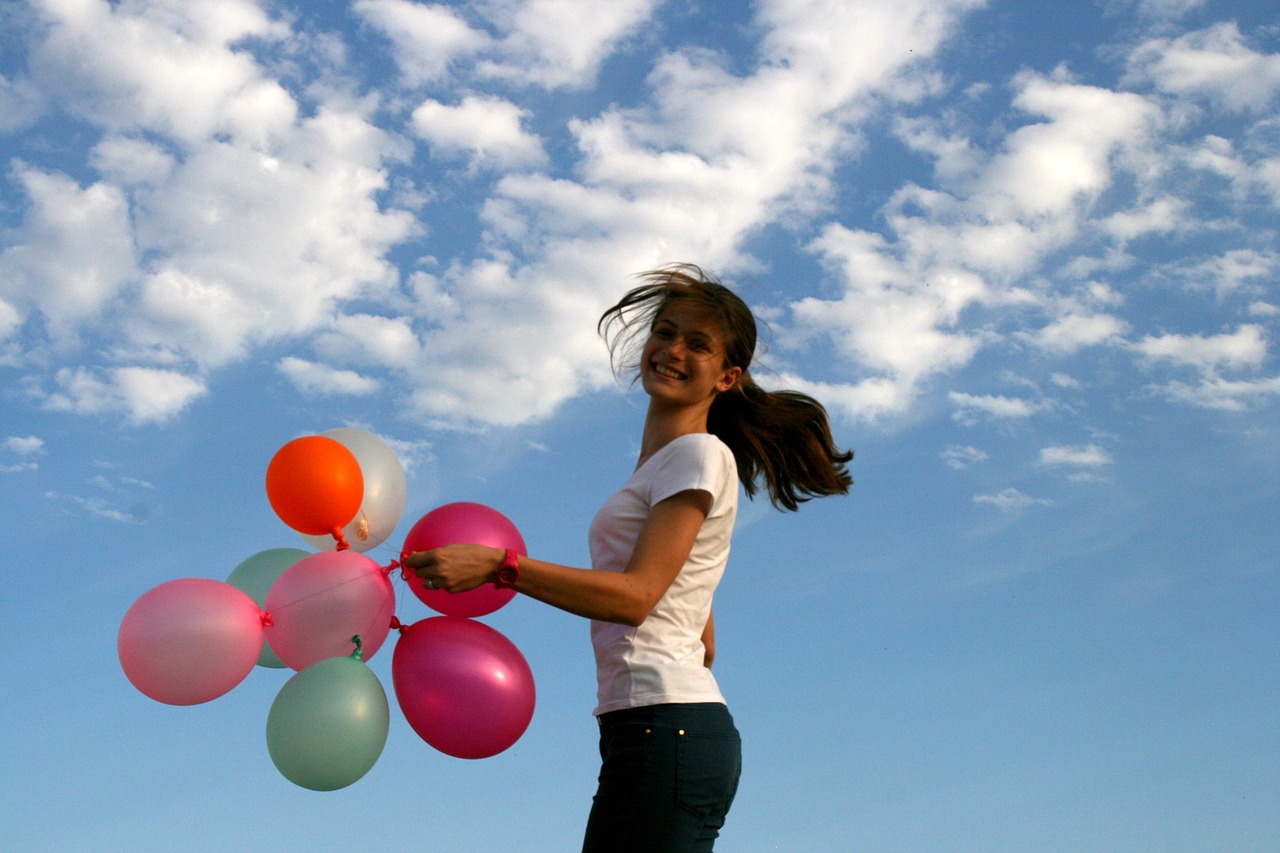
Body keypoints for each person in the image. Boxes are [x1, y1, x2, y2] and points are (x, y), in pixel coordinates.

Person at [404, 263, 853, 852]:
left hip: (666, 729)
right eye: (665, 332)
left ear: (726, 376)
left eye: (698, 344)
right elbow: (700, 635)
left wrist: (500, 566)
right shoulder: (665, 469)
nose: (671, 350)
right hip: (655, 729)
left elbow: (638, 598)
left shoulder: (697, 456)